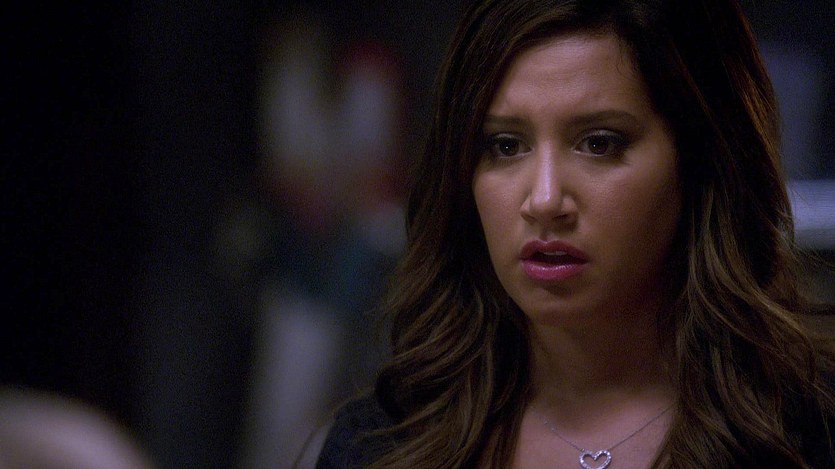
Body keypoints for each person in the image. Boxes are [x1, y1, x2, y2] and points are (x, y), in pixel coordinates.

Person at [314, 0, 835, 467]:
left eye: (599, 143)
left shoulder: (807, 434)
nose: (544, 200)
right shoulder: (381, 444)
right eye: (505, 146)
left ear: (699, 163)